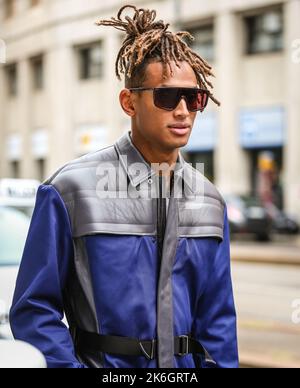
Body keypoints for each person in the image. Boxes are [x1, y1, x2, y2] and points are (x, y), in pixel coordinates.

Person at [10, 5, 238, 368]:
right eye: (167, 97)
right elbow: (34, 309)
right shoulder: (70, 191)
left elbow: (219, 323)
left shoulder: (210, 201)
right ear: (129, 101)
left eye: (193, 98)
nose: (182, 111)